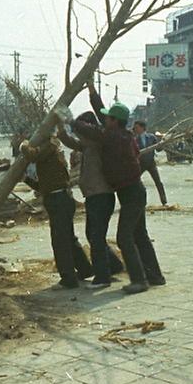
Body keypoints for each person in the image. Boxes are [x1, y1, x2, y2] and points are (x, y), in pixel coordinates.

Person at [67, 80, 165, 294]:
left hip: (131, 193)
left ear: (114, 121)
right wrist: (92, 90)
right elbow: (101, 116)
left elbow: (92, 130)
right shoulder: (120, 133)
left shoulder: (113, 137)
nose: (105, 120)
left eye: (108, 118)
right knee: (139, 235)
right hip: (133, 192)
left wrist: (71, 121)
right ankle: (155, 276)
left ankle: (139, 280)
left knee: (124, 237)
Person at [58, 113, 125, 289]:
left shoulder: (98, 143)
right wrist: (61, 129)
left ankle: (102, 277)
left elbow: (82, 138)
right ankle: (114, 266)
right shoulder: (89, 145)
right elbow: (73, 143)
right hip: (95, 196)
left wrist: (72, 123)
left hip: (100, 196)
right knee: (94, 234)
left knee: (96, 236)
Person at [20, 136, 93, 289]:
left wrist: (23, 146)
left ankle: (68, 279)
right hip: (59, 198)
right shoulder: (48, 156)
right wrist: (26, 179)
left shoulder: (50, 145)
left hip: (59, 199)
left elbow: (32, 154)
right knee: (68, 238)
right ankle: (85, 269)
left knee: (60, 240)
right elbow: (43, 187)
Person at [132, 120, 167, 205]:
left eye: (137, 127)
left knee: (158, 182)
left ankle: (164, 201)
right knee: (135, 181)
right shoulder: (134, 139)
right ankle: (137, 201)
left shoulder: (151, 137)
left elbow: (158, 149)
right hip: (140, 164)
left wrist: (162, 143)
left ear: (142, 128)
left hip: (151, 163)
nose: (135, 129)